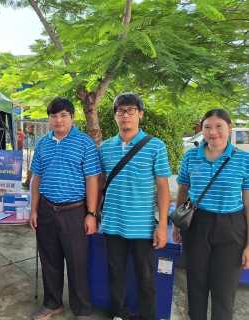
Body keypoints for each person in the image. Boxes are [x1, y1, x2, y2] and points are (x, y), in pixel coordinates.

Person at [98, 93, 171, 320]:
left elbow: (162, 187)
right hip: (112, 223)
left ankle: (148, 316)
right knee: (115, 274)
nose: (125, 115)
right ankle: (118, 314)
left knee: (146, 277)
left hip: (143, 225)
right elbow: (101, 182)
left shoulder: (156, 146)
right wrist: (95, 213)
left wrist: (162, 225)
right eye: (120, 111)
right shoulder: (106, 147)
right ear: (115, 116)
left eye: (130, 110)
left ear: (140, 113)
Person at [172, 109, 249, 320]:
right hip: (197, 224)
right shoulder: (190, 157)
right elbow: (182, 190)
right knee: (196, 285)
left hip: (232, 228)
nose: (212, 132)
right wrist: (178, 224)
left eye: (218, 126)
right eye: (207, 127)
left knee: (224, 291)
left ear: (229, 128)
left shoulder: (244, 160)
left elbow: (248, 203)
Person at [29, 97, 101, 320]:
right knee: (49, 259)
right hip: (47, 210)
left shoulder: (84, 143)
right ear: (49, 119)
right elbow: (36, 178)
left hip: (75, 212)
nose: (58, 120)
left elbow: (92, 180)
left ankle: (81, 310)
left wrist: (91, 214)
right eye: (53, 116)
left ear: (72, 117)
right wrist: (33, 210)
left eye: (63, 115)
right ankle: (53, 303)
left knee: (77, 262)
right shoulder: (42, 143)